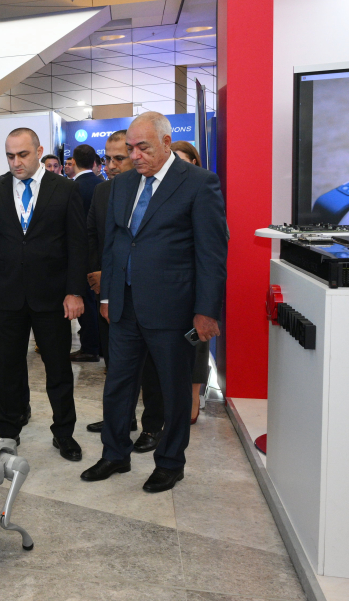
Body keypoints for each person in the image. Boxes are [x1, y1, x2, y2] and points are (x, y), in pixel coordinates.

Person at [82, 112, 227, 492]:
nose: (135, 156)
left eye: (142, 148)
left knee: (173, 390)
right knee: (118, 385)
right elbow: (115, 244)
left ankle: (170, 462)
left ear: (165, 142)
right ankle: (115, 453)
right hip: (124, 305)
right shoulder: (122, 184)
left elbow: (212, 253)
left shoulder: (199, 183)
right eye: (130, 148)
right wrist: (108, 295)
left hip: (172, 308)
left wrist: (206, 311)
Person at [0, 128, 86, 459]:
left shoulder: (64, 189)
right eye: (10, 156)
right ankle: (8, 431)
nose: (16, 162)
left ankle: (64, 432)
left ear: (38, 151)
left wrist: (74, 291)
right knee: (8, 368)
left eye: (22, 155)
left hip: (52, 296)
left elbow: (78, 245)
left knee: (58, 369)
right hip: (6, 296)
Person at [85, 130, 163, 453]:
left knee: (152, 369)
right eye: (107, 159)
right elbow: (93, 235)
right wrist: (97, 275)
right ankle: (121, 420)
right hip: (111, 293)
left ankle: (153, 426)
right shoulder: (103, 191)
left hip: (151, 296)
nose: (112, 165)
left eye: (119, 158)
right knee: (117, 365)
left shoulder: (159, 189)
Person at [171, 140, 211, 423]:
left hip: (195, 283)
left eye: (182, 161)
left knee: (196, 342)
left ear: (194, 163)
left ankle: (194, 397)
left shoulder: (204, 189)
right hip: (167, 285)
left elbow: (215, 243)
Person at [70, 143, 104, 363]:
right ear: (94, 163)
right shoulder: (103, 185)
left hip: (81, 254)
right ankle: (100, 345)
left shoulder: (72, 188)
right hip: (101, 253)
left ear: (73, 162)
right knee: (99, 301)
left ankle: (90, 347)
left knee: (86, 302)